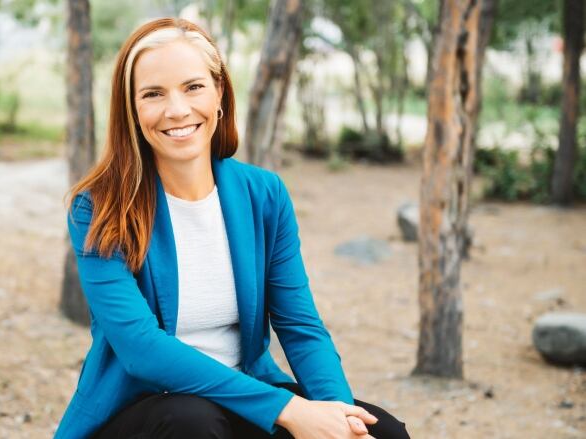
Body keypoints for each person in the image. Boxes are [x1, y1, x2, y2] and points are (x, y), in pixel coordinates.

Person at [54, 17, 410, 439]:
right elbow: (141, 350)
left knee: (383, 432)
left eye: (193, 87)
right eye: (153, 94)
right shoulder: (97, 207)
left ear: (219, 91)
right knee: (192, 421)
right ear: (131, 110)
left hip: (243, 398)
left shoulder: (264, 194)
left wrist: (340, 413)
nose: (177, 110)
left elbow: (299, 325)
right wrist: (289, 409)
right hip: (143, 410)